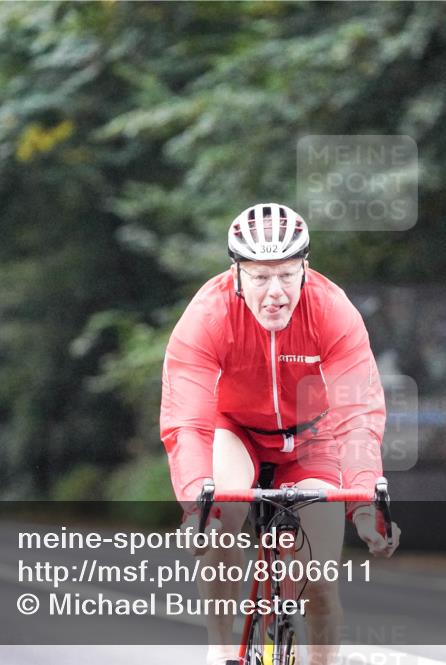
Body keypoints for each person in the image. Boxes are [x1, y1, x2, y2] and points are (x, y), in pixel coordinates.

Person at [161, 202, 401, 665]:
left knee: (320, 581)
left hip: (313, 438)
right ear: (236, 274)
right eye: (260, 277)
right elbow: (187, 420)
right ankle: (222, 648)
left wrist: (367, 507)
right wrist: (197, 507)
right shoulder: (207, 317)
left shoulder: (333, 312)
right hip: (236, 431)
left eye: (287, 275)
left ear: (305, 268)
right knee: (221, 521)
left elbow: (357, 415)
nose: (275, 292)